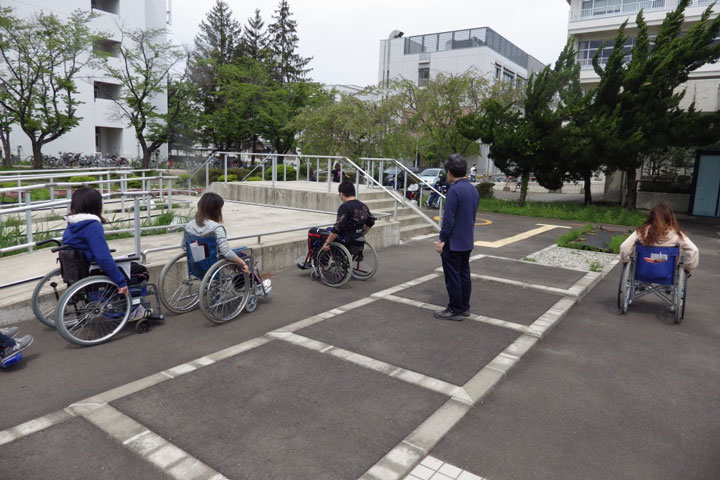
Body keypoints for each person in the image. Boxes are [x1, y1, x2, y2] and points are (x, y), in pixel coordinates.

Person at [62, 187, 143, 296]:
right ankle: (134, 307)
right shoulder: (92, 226)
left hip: (78, 268)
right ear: (96, 205)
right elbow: (103, 258)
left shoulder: (72, 223)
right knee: (140, 270)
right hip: (92, 268)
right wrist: (120, 281)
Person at [434, 154, 480, 321]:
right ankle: (464, 307)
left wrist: (442, 240)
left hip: (453, 242)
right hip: (467, 240)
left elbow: (448, 219)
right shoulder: (473, 189)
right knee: (463, 274)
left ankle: (454, 309)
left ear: (450, 172)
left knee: (452, 276)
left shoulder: (454, 190)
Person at [620, 204, 699, 274]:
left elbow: (624, 247)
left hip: (643, 269)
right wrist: (688, 267)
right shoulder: (677, 234)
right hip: (666, 271)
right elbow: (694, 250)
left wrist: (625, 261)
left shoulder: (642, 231)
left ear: (651, 216)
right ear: (670, 217)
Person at [184, 192, 250, 275]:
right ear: (215, 210)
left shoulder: (189, 225)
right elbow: (226, 252)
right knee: (245, 257)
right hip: (214, 262)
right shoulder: (216, 228)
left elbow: (184, 247)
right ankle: (251, 284)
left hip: (199, 263)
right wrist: (242, 263)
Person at [322, 181, 375, 252]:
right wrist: (361, 234)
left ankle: (322, 261)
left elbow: (338, 228)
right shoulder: (363, 206)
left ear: (341, 194)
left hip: (346, 240)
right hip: (358, 239)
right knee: (329, 229)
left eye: (339, 194)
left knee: (316, 232)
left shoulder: (344, 207)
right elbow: (371, 221)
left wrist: (327, 243)